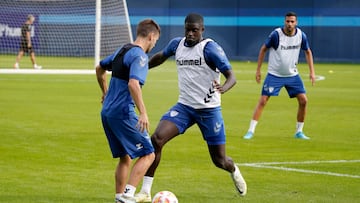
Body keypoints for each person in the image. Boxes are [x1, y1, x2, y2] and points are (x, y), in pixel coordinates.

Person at [135, 13, 247, 202]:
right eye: (187, 29)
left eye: (194, 30)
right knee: (156, 139)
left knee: (219, 161)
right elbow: (161, 57)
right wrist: (141, 67)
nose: (190, 34)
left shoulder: (210, 49)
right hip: (184, 108)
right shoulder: (177, 45)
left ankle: (233, 170)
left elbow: (232, 76)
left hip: (209, 111)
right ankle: (145, 192)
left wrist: (224, 88)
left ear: (202, 30)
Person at [96, 19, 160, 203]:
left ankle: (118, 198)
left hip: (107, 113)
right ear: (150, 36)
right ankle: (128, 195)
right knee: (148, 154)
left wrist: (105, 92)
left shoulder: (121, 50)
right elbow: (133, 84)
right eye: (155, 40)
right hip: (123, 112)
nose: (154, 44)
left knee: (125, 158)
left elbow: (99, 68)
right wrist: (143, 112)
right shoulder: (139, 56)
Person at [243, 11, 315, 140]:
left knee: (304, 100)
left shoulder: (301, 36)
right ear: (284, 22)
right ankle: (250, 131)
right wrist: (258, 70)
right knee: (263, 101)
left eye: (292, 21)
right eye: (287, 21)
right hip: (274, 75)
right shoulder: (276, 35)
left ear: (296, 23)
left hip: (292, 75)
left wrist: (312, 72)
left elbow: (308, 51)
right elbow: (263, 49)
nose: (289, 24)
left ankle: (299, 132)